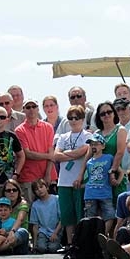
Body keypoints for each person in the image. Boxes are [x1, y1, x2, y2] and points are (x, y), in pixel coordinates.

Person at [52, 105, 90, 245]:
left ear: (82, 119)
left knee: (80, 213)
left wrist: (65, 154)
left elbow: (84, 151)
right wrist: (73, 154)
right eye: (70, 118)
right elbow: (55, 155)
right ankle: (70, 243)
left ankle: (80, 242)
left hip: (79, 180)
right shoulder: (63, 136)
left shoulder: (87, 136)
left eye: (77, 118)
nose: (73, 121)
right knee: (67, 215)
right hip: (63, 181)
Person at [13, 99, 55, 203]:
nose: (31, 109)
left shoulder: (48, 127)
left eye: (33, 106)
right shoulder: (19, 130)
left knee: (51, 210)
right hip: (28, 177)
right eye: (28, 107)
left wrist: (48, 174)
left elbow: (51, 151)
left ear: (38, 109)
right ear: (24, 110)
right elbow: (28, 154)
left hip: (47, 175)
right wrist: (48, 156)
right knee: (30, 210)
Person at [82, 134, 116, 232]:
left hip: (105, 192)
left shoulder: (109, 158)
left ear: (103, 146)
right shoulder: (89, 162)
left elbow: (119, 170)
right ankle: (92, 237)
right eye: (91, 144)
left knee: (110, 215)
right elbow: (89, 178)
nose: (93, 146)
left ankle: (103, 235)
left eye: (96, 144)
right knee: (89, 217)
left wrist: (116, 180)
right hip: (90, 194)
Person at [28, 178, 62, 254]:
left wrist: (55, 233)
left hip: (56, 230)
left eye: (41, 187)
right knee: (41, 248)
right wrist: (34, 244)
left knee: (52, 249)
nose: (39, 190)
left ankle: (59, 244)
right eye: (36, 189)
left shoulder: (56, 199)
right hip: (43, 231)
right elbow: (35, 225)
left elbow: (62, 219)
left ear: (46, 187)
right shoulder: (35, 205)